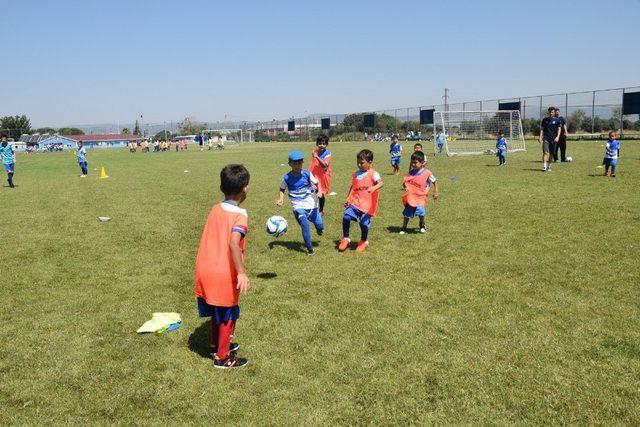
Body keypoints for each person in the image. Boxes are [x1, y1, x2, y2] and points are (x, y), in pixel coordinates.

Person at [194, 164, 251, 369]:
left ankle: (214, 344)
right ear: (245, 188)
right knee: (228, 314)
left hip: (204, 268)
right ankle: (223, 357)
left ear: (221, 187)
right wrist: (242, 273)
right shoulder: (240, 215)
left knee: (217, 309)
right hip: (223, 272)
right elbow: (233, 243)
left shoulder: (215, 208)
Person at [276, 151, 324, 255]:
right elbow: (282, 188)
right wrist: (281, 199)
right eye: (294, 163)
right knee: (304, 223)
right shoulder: (287, 177)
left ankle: (319, 229)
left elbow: (316, 183)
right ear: (290, 164)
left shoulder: (306, 173)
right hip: (298, 206)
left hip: (312, 204)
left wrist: (319, 191)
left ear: (302, 163)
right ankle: (310, 249)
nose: (297, 165)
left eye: (299, 163)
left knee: (320, 225)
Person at [338, 149, 384, 253]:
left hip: (367, 204)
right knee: (346, 217)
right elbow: (353, 187)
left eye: (362, 163)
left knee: (363, 224)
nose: (359, 165)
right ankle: (346, 238)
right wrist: (348, 198)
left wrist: (374, 188)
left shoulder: (373, 173)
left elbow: (381, 183)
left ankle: (363, 241)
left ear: (370, 162)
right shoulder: (356, 174)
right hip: (355, 201)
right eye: (358, 162)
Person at [400, 151, 439, 234]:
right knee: (407, 213)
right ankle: (404, 227)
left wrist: (436, 192)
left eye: (415, 163)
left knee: (421, 212)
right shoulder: (410, 173)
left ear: (422, 163)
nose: (413, 164)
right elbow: (404, 182)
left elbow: (435, 181)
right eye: (412, 162)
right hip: (411, 197)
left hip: (421, 197)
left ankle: (422, 224)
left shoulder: (427, 173)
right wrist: (406, 187)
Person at [308, 135, 332, 215]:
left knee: (321, 194)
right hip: (314, 175)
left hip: (323, 177)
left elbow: (325, 165)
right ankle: (311, 208)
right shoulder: (314, 152)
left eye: (324, 144)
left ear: (327, 145)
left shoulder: (328, 153)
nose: (321, 145)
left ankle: (321, 211)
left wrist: (317, 157)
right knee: (312, 192)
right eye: (320, 143)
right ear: (317, 144)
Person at [539, 107, 561, 172]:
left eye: (552, 112)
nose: (551, 113)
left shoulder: (557, 120)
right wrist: (540, 137)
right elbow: (542, 129)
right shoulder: (545, 120)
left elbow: (559, 129)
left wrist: (557, 137)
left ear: (554, 113)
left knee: (551, 154)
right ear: (548, 112)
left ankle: (549, 166)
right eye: (550, 112)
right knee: (545, 152)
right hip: (546, 138)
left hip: (553, 139)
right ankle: (544, 166)